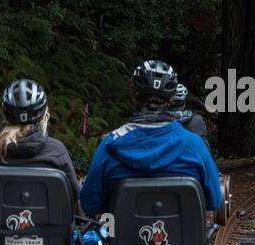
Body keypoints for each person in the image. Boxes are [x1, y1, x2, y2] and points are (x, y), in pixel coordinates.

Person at [79, 60, 222, 218]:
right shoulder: (195, 145)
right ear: (171, 99)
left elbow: (89, 205)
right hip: (184, 239)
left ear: (134, 95)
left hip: (124, 240)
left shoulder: (109, 146)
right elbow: (214, 201)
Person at [0, 78, 80, 206]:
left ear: (5, 113)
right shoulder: (57, 151)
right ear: (43, 114)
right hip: (49, 226)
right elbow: (74, 196)